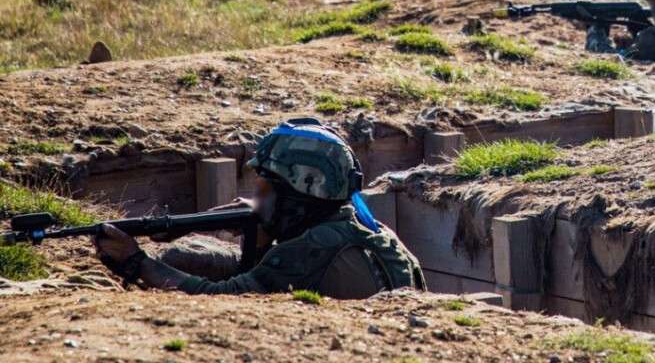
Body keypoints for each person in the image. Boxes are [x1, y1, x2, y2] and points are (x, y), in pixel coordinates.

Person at [93, 118, 426, 297]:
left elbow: (222, 297)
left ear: (301, 192)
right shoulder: (376, 232)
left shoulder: (310, 248)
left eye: (266, 189)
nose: (258, 197)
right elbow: (261, 281)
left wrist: (137, 262)